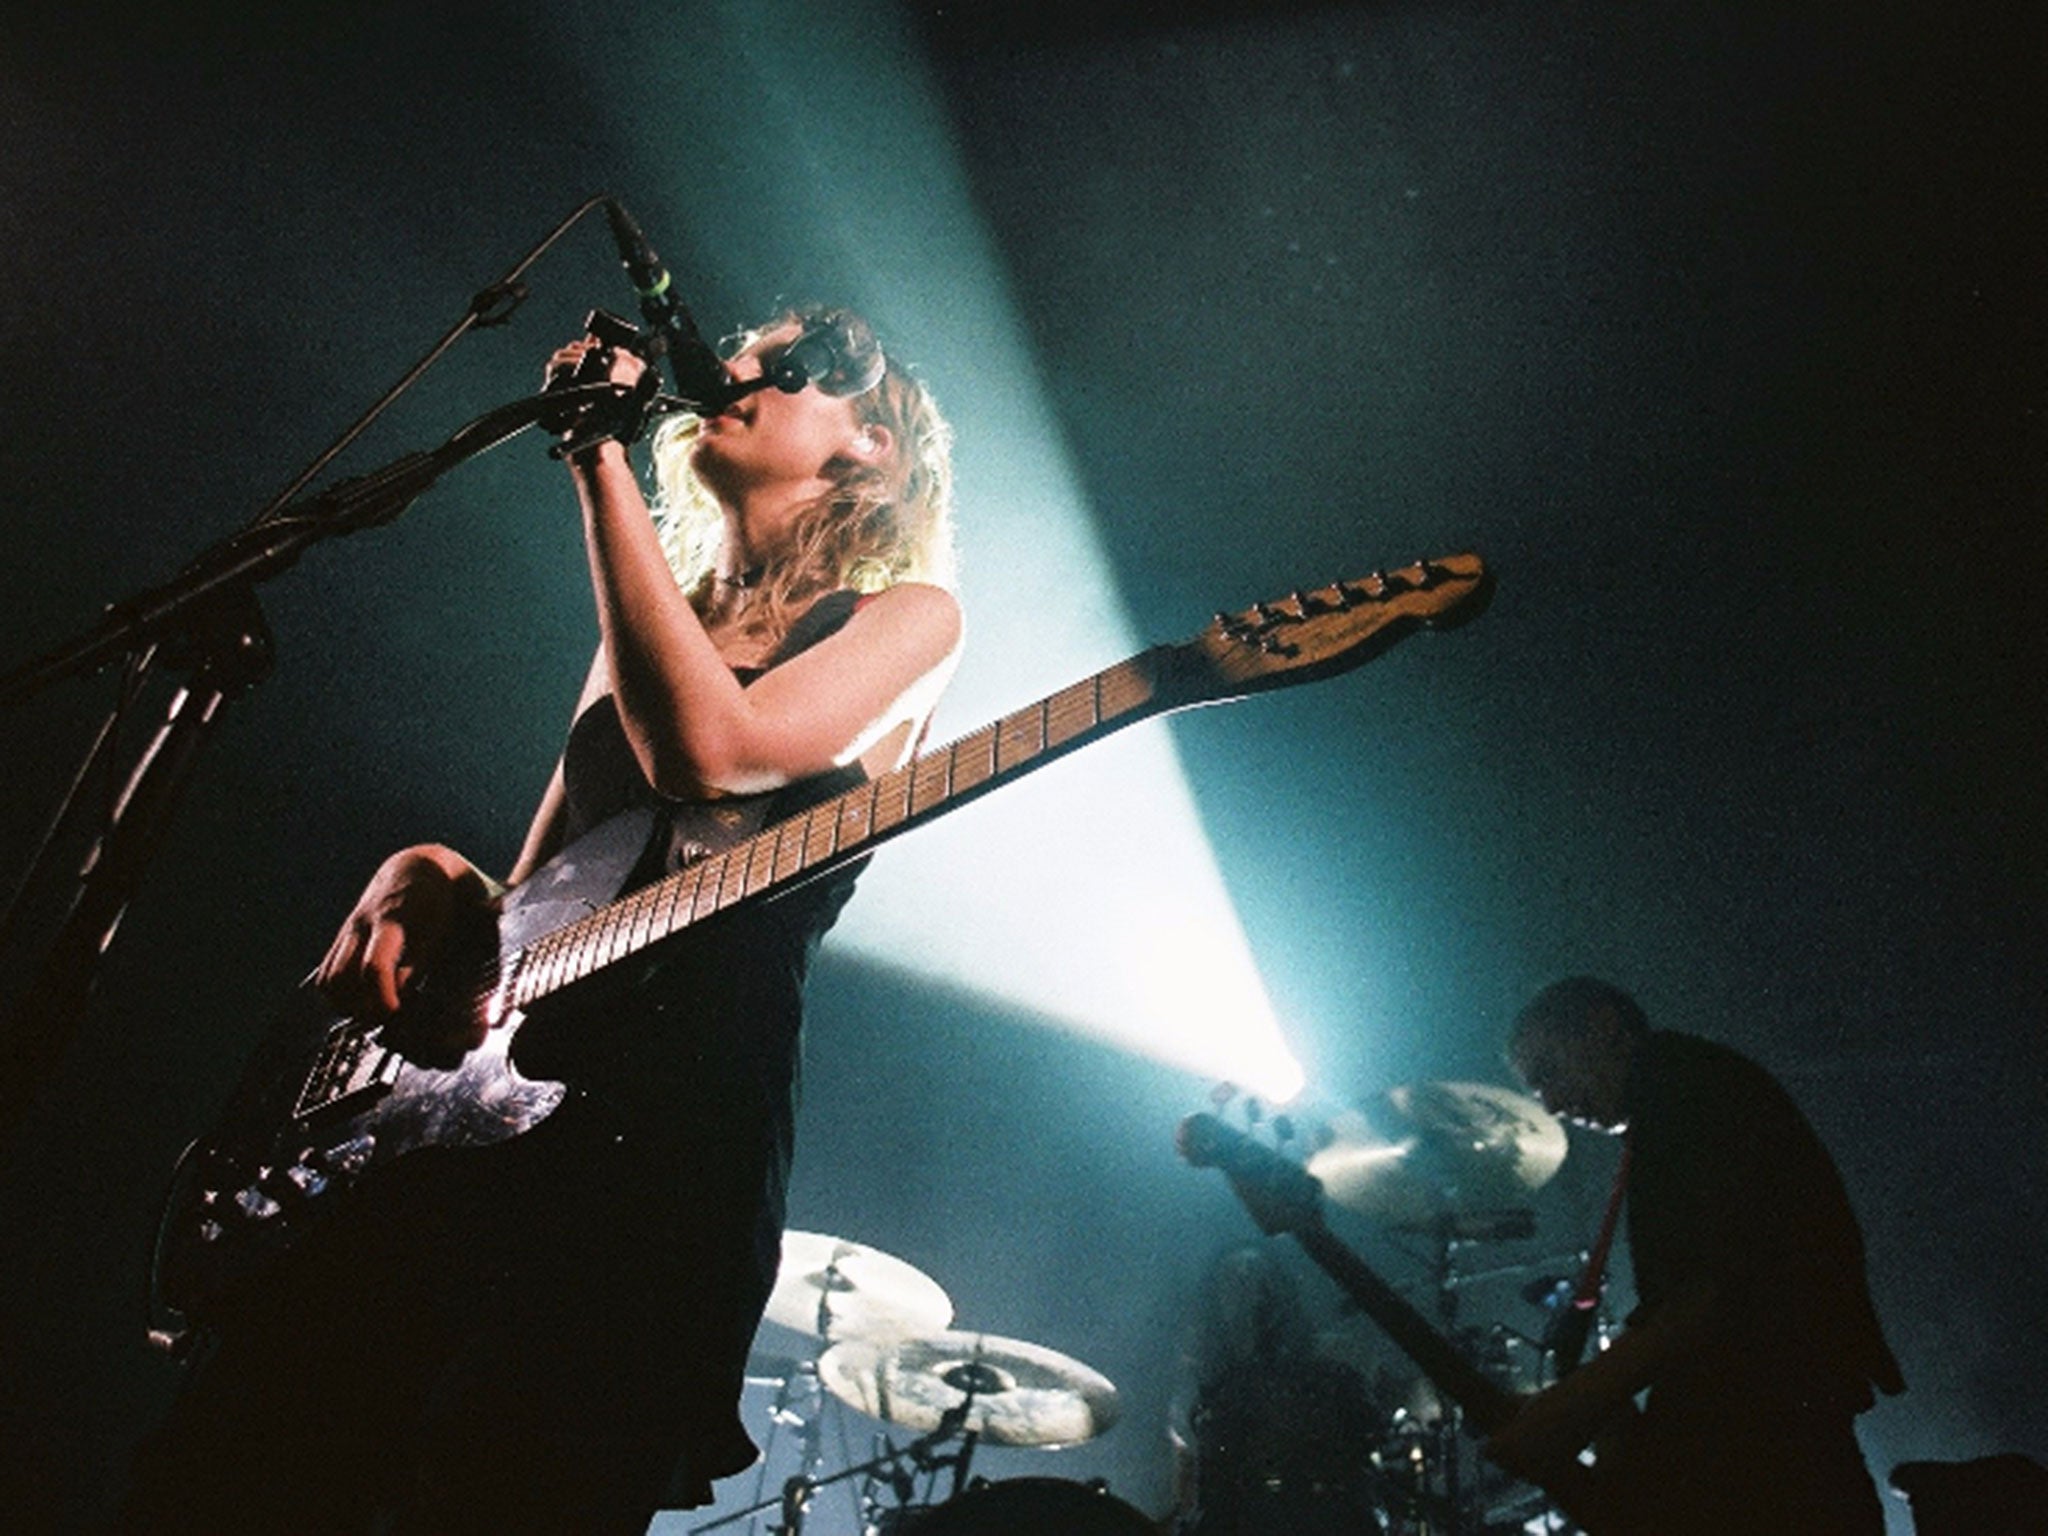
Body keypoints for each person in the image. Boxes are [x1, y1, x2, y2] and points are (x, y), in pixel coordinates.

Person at [111, 306, 964, 1534]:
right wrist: (427, 871)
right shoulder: (651, 617)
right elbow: (532, 897)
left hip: (664, 1132)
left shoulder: (906, 620)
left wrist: (596, 458)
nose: (730, 373)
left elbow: (710, 758)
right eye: (739, 353)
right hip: (477, 1123)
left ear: (869, 445)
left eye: (781, 368)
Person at [1485, 976, 1903, 1535]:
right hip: (1776, 1421)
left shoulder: (1687, 1092)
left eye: (1548, 1073)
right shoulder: (1679, 1091)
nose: (1552, 1104)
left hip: (1767, 1439)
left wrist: (1565, 1412)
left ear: (1607, 1027)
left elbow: (1707, 1298)